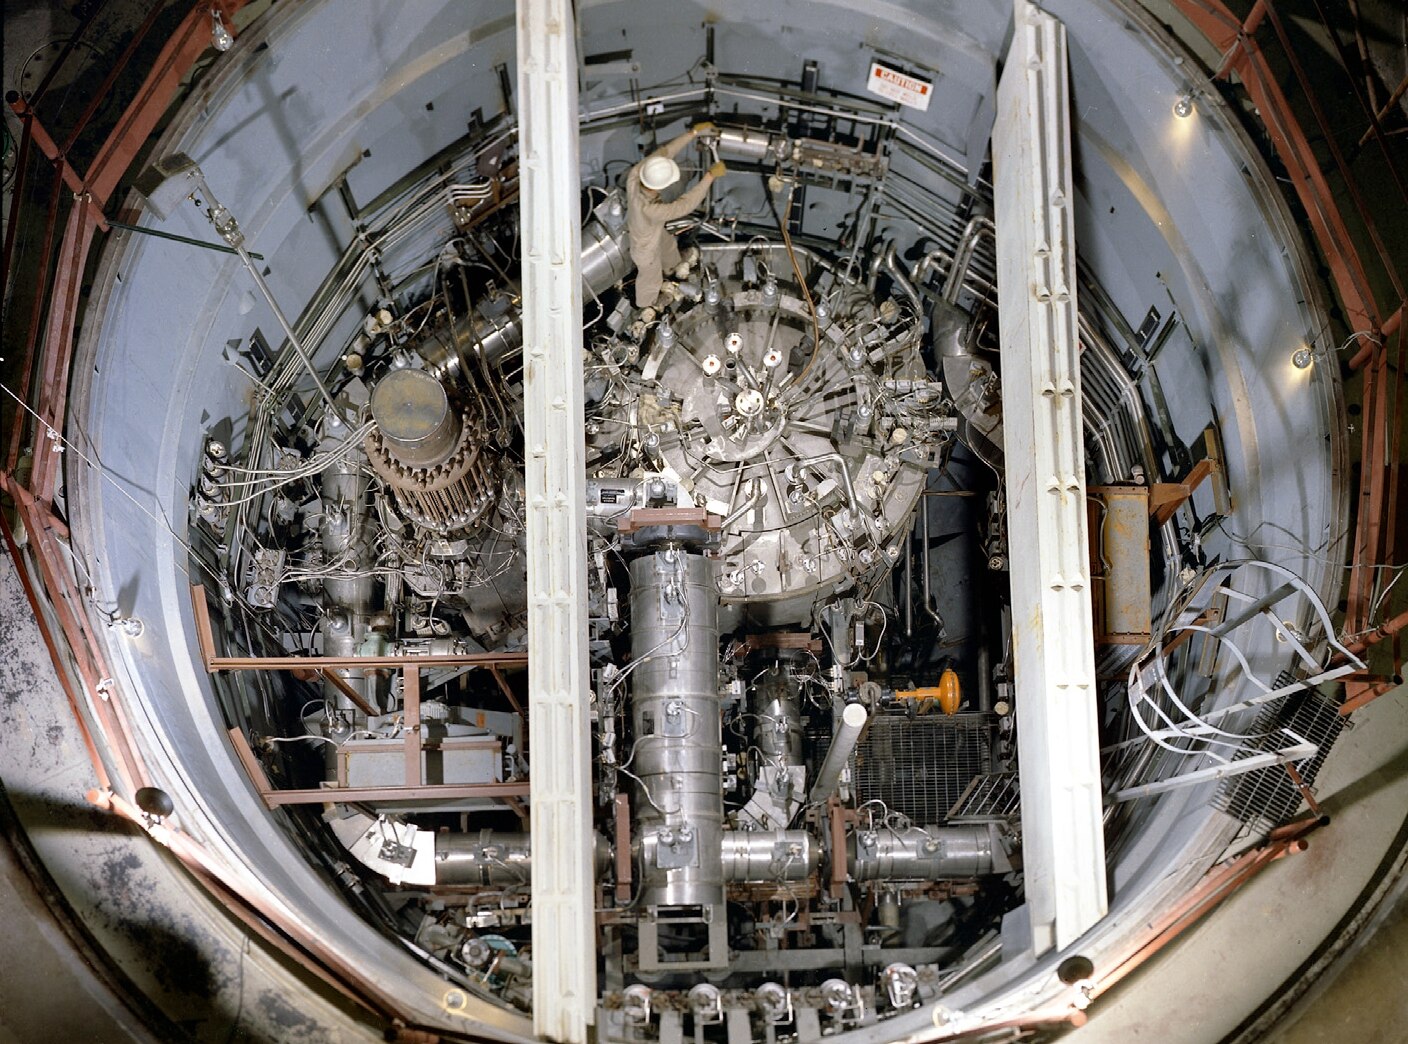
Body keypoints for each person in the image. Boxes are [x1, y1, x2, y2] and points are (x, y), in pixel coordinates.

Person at [626, 123, 727, 308]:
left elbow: (664, 153)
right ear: (660, 186)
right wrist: (710, 177)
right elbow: (685, 205)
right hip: (644, 249)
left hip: (649, 231)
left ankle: (673, 266)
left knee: (669, 246)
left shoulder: (634, 176)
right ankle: (648, 305)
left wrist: (693, 133)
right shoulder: (652, 210)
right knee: (651, 277)